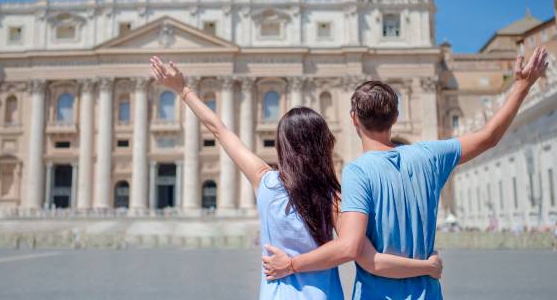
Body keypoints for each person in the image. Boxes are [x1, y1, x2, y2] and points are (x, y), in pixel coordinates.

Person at [262, 47, 549, 299]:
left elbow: (353, 250)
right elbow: (488, 136)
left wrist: (292, 264)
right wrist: (522, 86)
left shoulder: (358, 172)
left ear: (354, 119)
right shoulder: (429, 156)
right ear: (395, 117)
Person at [149, 56, 442, 300]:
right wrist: (426, 266)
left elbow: (219, 130)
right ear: (324, 143)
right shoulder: (335, 197)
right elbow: (364, 256)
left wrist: (183, 89)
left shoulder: (264, 181)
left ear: (282, 144)